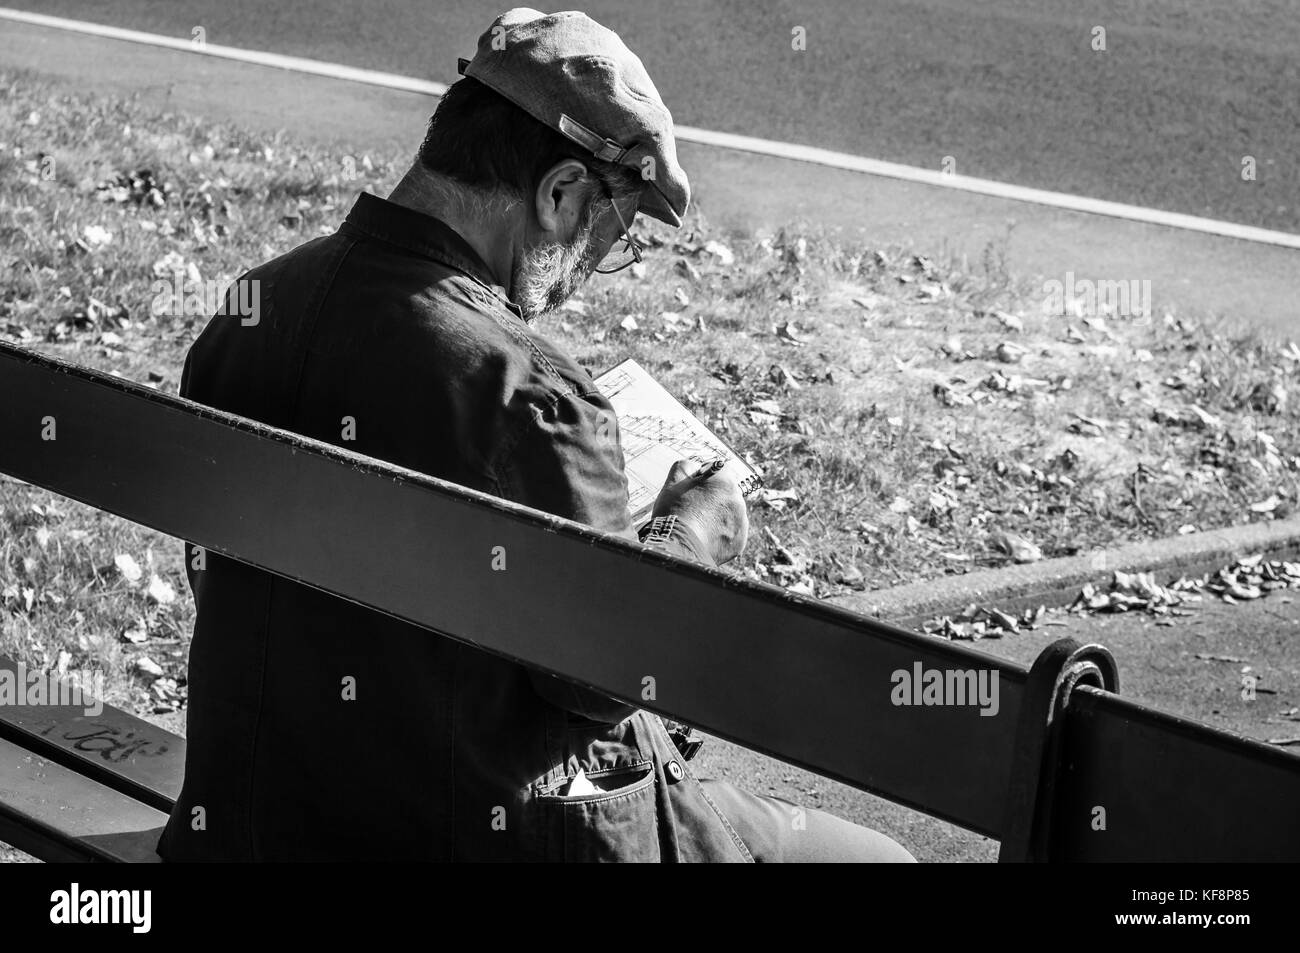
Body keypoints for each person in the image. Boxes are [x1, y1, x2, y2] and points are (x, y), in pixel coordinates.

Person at [158, 7, 914, 862]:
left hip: (251, 826)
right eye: (611, 237)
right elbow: (606, 677)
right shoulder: (531, 395)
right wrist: (690, 530)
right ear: (559, 194)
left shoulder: (250, 315)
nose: (591, 276)